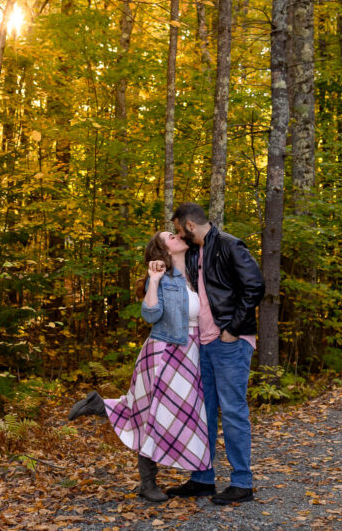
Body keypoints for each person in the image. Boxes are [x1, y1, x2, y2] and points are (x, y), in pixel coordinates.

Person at [66, 231, 211, 502]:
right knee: (150, 414)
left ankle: (102, 406)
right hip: (164, 352)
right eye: (171, 235)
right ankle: (148, 483)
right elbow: (150, 314)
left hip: (191, 354)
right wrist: (154, 281)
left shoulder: (195, 273)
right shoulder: (162, 279)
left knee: (178, 413)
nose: (178, 235)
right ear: (163, 250)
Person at [166, 202, 264, 505]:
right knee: (203, 413)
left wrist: (232, 330)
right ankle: (202, 478)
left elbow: (255, 286)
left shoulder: (229, 246)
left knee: (233, 410)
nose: (180, 236)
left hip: (229, 342)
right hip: (204, 344)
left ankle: (242, 483)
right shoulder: (195, 252)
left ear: (190, 225)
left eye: (180, 230)